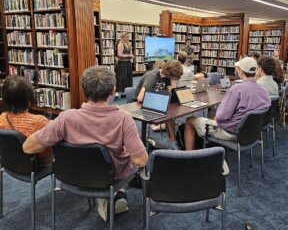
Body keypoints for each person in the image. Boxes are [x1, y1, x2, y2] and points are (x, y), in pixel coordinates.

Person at [23, 66, 148, 221]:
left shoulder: (66, 118)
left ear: (83, 89)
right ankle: (115, 193)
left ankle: (110, 196)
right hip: (111, 176)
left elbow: (28, 147)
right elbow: (141, 160)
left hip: (74, 174)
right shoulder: (123, 118)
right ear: (112, 91)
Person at [184, 57, 271, 150]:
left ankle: (189, 156)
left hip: (231, 132)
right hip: (251, 132)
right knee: (212, 114)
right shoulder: (264, 91)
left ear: (241, 72)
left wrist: (216, 117)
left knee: (190, 120)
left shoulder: (236, 89)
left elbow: (221, 117)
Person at [0, 75, 53, 167]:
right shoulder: (39, 121)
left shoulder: (2, 117)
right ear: (28, 100)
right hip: (39, 163)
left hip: (12, 161)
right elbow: (49, 145)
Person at [134, 60, 183, 149]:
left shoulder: (167, 77)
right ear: (169, 74)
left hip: (157, 101)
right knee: (169, 115)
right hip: (141, 104)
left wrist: (172, 83)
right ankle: (173, 141)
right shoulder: (152, 77)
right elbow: (140, 98)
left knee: (170, 114)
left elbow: (171, 92)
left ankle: (172, 140)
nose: (174, 79)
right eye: (174, 78)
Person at [115, 32, 134, 98]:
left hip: (128, 63)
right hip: (122, 64)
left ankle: (125, 92)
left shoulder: (128, 44)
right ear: (122, 37)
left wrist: (132, 56)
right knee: (122, 78)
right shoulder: (120, 44)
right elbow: (119, 54)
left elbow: (131, 52)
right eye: (125, 37)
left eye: (127, 37)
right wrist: (129, 55)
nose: (126, 38)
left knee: (128, 78)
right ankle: (119, 93)